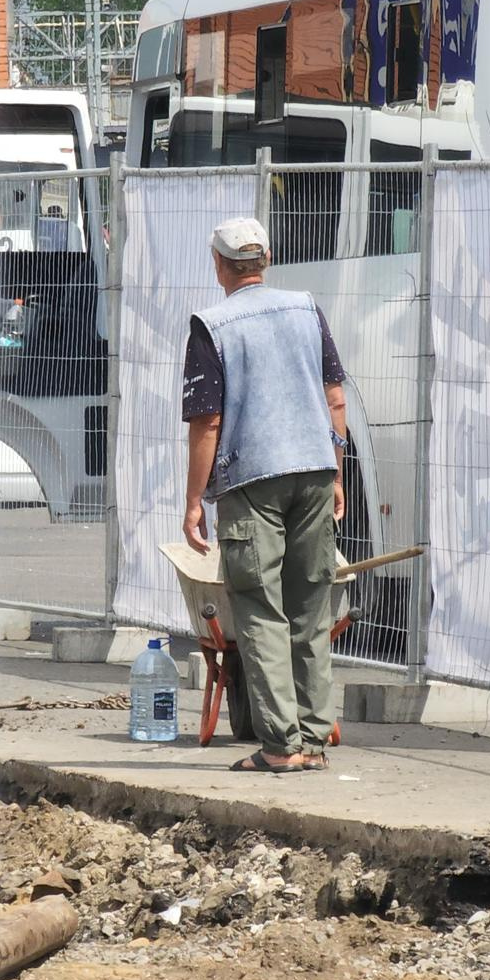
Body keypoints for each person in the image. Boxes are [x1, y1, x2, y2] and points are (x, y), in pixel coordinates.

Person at [181, 217, 350, 773]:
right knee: (309, 607)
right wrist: (337, 473)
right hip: (314, 471)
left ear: (219, 264)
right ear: (266, 259)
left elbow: (207, 422)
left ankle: (280, 747)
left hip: (252, 479)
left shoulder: (213, 325)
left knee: (258, 607)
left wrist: (193, 503)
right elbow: (335, 399)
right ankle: (314, 741)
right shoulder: (306, 308)